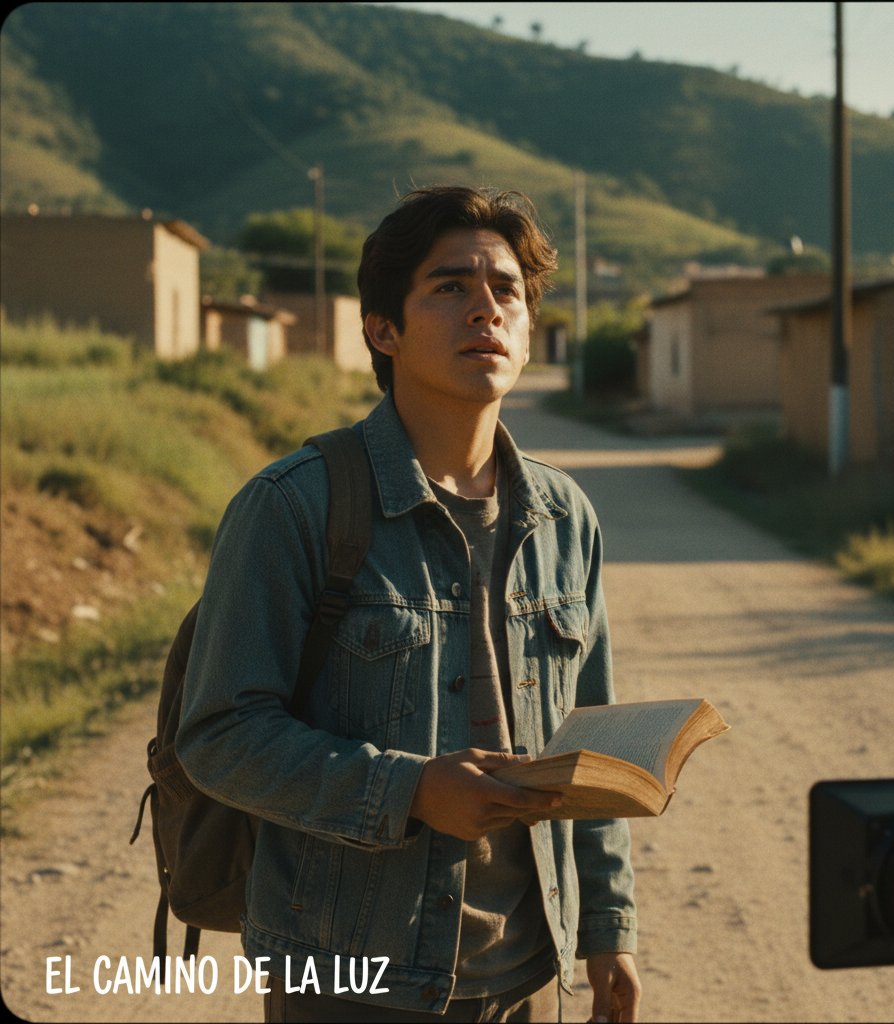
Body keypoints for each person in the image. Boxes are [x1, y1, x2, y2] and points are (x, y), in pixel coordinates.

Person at [177, 186, 641, 1023]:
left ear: (530, 330)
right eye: (450, 287)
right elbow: (217, 736)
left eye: (506, 291)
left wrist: (608, 928)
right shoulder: (293, 506)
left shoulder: (565, 516)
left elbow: (592, 740)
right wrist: (411, 790)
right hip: (349, 977)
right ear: (382, 330)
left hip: (527, 969)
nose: (486, 310)